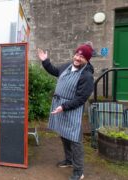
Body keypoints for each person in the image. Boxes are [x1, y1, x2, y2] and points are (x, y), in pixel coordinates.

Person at [37, 43, 94, 180]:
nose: (78, 58)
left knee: (75, 140)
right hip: (59, 107)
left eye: (82, 56)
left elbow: (81, 98)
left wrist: (64, 106)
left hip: (71, 109)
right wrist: (45, 61)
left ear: (87, 60)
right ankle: (69, 160)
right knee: (64, 135)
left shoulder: (86, 76)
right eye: (77, 54)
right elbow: (55, 71)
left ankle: (79, 171)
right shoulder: (67, 66)